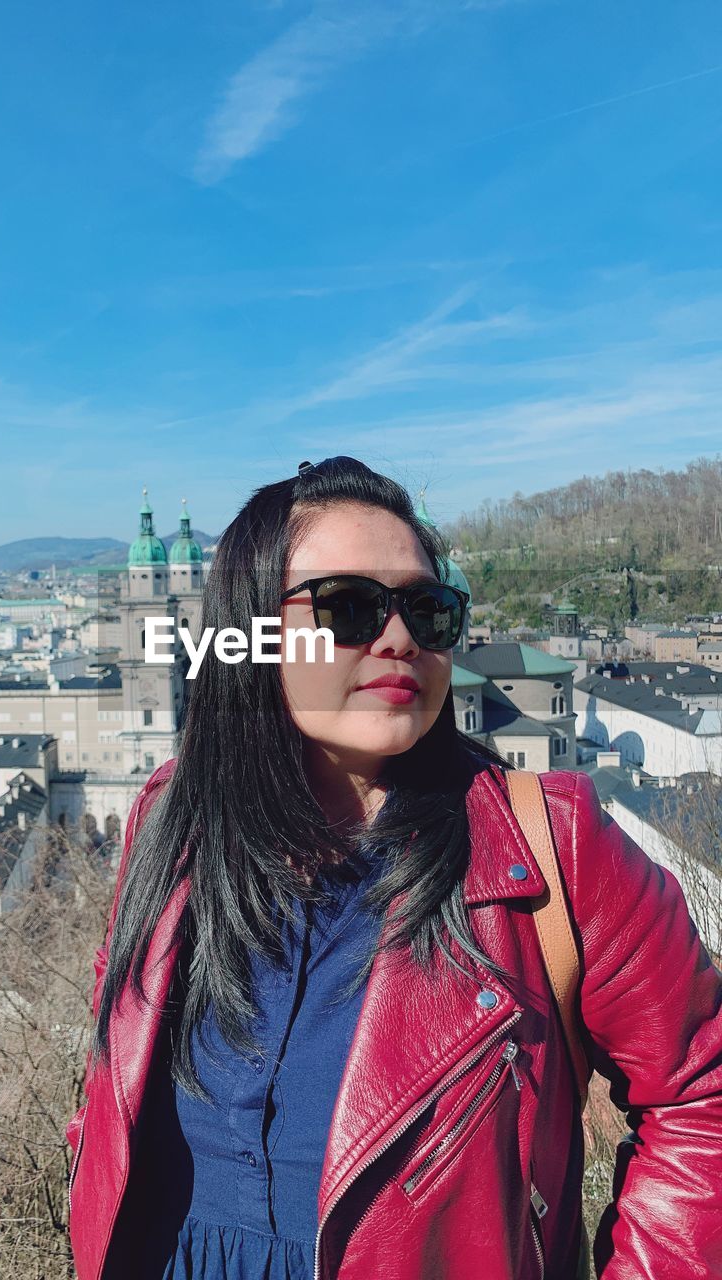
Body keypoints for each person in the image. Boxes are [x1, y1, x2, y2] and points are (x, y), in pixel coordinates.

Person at [66, 456, 722, 1280]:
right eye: (348, 607)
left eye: (427, 608)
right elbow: (112, 1062)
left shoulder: (555, 845)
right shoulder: (170, 819)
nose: (400, 637)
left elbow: (702, 1094)